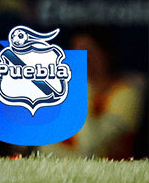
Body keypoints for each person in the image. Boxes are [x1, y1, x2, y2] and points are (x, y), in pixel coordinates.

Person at [48, 29, 143, 159]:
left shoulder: (125, 94)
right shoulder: (62, 94)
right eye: (76, 52)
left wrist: (82, 90)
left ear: (105, 54)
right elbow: (45, 148)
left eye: (88, 52)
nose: (82, 60)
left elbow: (90, 148)